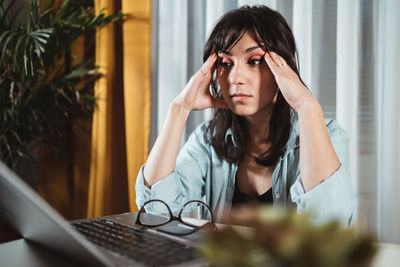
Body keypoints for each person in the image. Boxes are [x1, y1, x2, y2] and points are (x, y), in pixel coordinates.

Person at [135, 5, 356, 225]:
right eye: (225, 63)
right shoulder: (207, 140)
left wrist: (307, 106)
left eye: (254, 61)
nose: (235, 78)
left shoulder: (329, 134)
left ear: (284, 67)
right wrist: (179, 109)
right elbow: (155, 208)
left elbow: (331, 223)